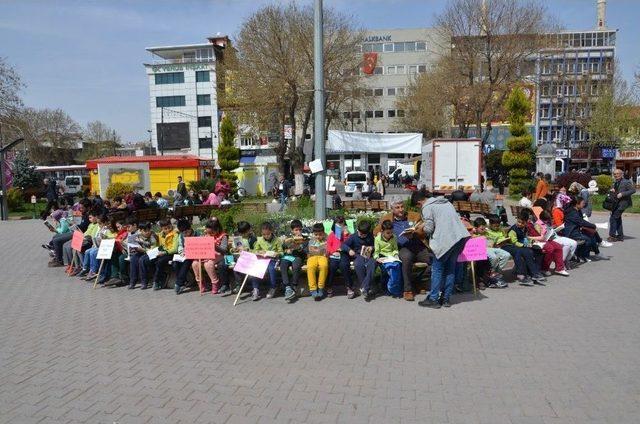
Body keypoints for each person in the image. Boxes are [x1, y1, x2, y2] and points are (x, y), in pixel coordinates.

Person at [413, 190, 469, 308]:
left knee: (437, 270)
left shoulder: (427, 207)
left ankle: (433, 299)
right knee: (450, 270)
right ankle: (446, 299)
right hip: (459, 238)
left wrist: (419, 229)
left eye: (418, 206)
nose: (419, 208)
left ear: (419, 202)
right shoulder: (446, 203)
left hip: (444, 241)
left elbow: (429, 229)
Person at [386, 200, 430, 301]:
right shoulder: (388, 219)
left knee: (434, 260)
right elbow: (377, 231)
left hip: (417, 246)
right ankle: (408, 290)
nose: (401, 209)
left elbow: (423, 230)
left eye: (402, 207)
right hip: (403, 247)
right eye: (397, 207)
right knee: (406, 259)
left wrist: (417, 232)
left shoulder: (414, 216)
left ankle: (417, 281)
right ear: (392, 209)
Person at [504, 215, 547, 285]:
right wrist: (524, 245)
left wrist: (532, 242)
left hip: (523, 244)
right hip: (515, 246)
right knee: (528, 252)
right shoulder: (513, 230)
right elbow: (514, 242)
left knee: (538, 250)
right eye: (518, 222)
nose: (520, 224)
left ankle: (535, 271)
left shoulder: (525, 228)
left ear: (526, 223)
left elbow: (525, 238)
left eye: (522, 223)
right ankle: (534, 273)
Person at [342, 220, 376, 302]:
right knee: (358, 265)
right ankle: (366, 287)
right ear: (358, 230)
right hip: (358, 256)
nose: (361, 236)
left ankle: (364, 287)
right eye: (360, 233)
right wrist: (349, 250)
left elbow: (375, 245)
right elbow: (343, 245)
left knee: (372, 265)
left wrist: (372, 247)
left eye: (364, 235)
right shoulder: (354, 236)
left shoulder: (370, 236)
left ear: (368, 232)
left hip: (369, 256)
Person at [192, 219, 228, 295]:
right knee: (195, 264)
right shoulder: (206, 235)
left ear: (217, 229)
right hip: (206, 254)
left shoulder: (223, 236)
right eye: (209, 232)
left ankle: (215, 282)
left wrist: (215, 246)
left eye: (212, 232)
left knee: (208, 264)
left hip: (218, 255)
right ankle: (201, 283)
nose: (210, 234)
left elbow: (224, 250)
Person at [473, 217, 509, 288]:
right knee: (493, 258)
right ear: (476, 228)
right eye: (481, 229)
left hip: (492, 248)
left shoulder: (487, 232)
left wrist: (494, 242)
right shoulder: (474, 234)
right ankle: (492, 273)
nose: (483, 230)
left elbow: (493, 239)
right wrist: (478, 236)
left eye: (484, 228)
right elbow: (472, 240)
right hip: (483, 249)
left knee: (506, 255)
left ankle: (495, 272)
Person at [564, 197, 602, 262]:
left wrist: (592, 226)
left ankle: (591, 253)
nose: (584, 204)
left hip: (577, 230)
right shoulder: (572, 212)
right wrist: (593, 225)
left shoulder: (578, 210)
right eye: (582, 203)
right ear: (577, 204)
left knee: (591, 235)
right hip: (572, 232)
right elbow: (581, 222)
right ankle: (582, 255)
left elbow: (581, 221)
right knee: (588, 239)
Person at [251, 222, 282, 300]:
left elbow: (281, 252)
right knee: (255, 268)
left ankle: (273, 287)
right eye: (264, 234)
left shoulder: (277, 240)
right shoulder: (259, 240)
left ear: (271, 232)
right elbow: (255, 250)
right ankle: (255, 289)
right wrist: (259, 252)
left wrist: (276, 253)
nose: (266, 236)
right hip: (262, 259)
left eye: (268, 234)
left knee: (271, 269)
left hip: (272, 259)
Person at [326, 216, 354, 298]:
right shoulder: (332, 234)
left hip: (344, 253)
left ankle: (349, 287)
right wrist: (333, 252)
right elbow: (328, 245)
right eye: (338, 225)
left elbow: (349, 245)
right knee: (332, 266)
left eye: (341, 225)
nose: (340, 227)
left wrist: (346, 235)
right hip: (334, 254)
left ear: (344, 225)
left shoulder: (348, 234)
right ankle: (329, 286)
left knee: (344, 265)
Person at [281, 219, 308, 302]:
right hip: (289, 256)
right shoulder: (289, 239)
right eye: (296, 230)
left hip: (298, 257)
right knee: (283, 263)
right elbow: (283, 248)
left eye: (300, 229)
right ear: (292, 231)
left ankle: (294, 285)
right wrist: (286, 249)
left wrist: (299, 248)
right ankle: (287, 287)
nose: (298, 232)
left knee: (296, 265)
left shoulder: (305, 239)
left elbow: (306, 252)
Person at [374, 220, 403, 297]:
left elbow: (395, 249)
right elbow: (376, 251)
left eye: (391, 232)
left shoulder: (394, 237)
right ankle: (385, 287)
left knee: (397, 266)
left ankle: (394, 287)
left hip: (392, 257)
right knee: (386, 270)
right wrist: (377, 258)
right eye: (388, 233)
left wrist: (396, 255)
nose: (390, 234)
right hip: (382, 257)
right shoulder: (377, 239)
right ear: (382, 231)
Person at [149, 219, 179, 290]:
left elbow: (174, 249)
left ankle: (156, 281)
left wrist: (164, 252)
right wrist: (153, 249)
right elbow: (160, 245)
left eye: (169, 227)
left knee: (160, 262)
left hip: (171, 253)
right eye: (165, 229)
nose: (168, 230)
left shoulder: (175, 234)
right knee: (150, 260)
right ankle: (160, 278)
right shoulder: (161, 234)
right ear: (161, 228)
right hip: (163, 252)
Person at [128, 222, 158, 290]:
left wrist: (143, 250)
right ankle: (132, 282)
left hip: (151, 253)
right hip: (142, 252)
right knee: (134, 259)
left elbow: (153, 249)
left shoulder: (153, 236)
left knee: (142, 260)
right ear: (140, 230)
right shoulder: (137, 236)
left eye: (148, 230)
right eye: (145, 231)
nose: (147, 232)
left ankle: (144, 282)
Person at [608, 168, 636, 242]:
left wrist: (622, 194)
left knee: (613, 218)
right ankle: (620, 236)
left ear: (621, 174)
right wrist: (612, 191)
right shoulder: (615, 182)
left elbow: (633, 190)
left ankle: (612, 236)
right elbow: (613, 192)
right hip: (616, 203)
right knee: (617, 219)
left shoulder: (626, 182)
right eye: (614, 174)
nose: (616, 175)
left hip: (623, 203)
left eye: (617, 174)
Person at [173, 219, 198, 295]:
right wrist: (181, 252)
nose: (185, 234)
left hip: (194, 255)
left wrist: (190, 251)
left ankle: (179, 283)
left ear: (190, 228)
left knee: (187, 262)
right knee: (175, 263)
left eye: (187, 232)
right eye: (183, 233)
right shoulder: (181, 236)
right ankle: (182, 283)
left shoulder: (197, 234)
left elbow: (200, 246)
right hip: (185, 254)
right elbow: (180, 245)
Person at [306, 223, 329, 300]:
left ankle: (321, 287)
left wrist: (326, 251)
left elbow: (329, 248)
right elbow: (309, 250)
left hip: (322, 256)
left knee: (324, 266)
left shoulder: (327, 238)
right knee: (310, 267)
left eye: (320, 234)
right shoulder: (312, 239)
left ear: (323, 233)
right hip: (313, 256)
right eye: (316, 235)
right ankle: (313, 289)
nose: (318, 236)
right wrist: (312, 250)